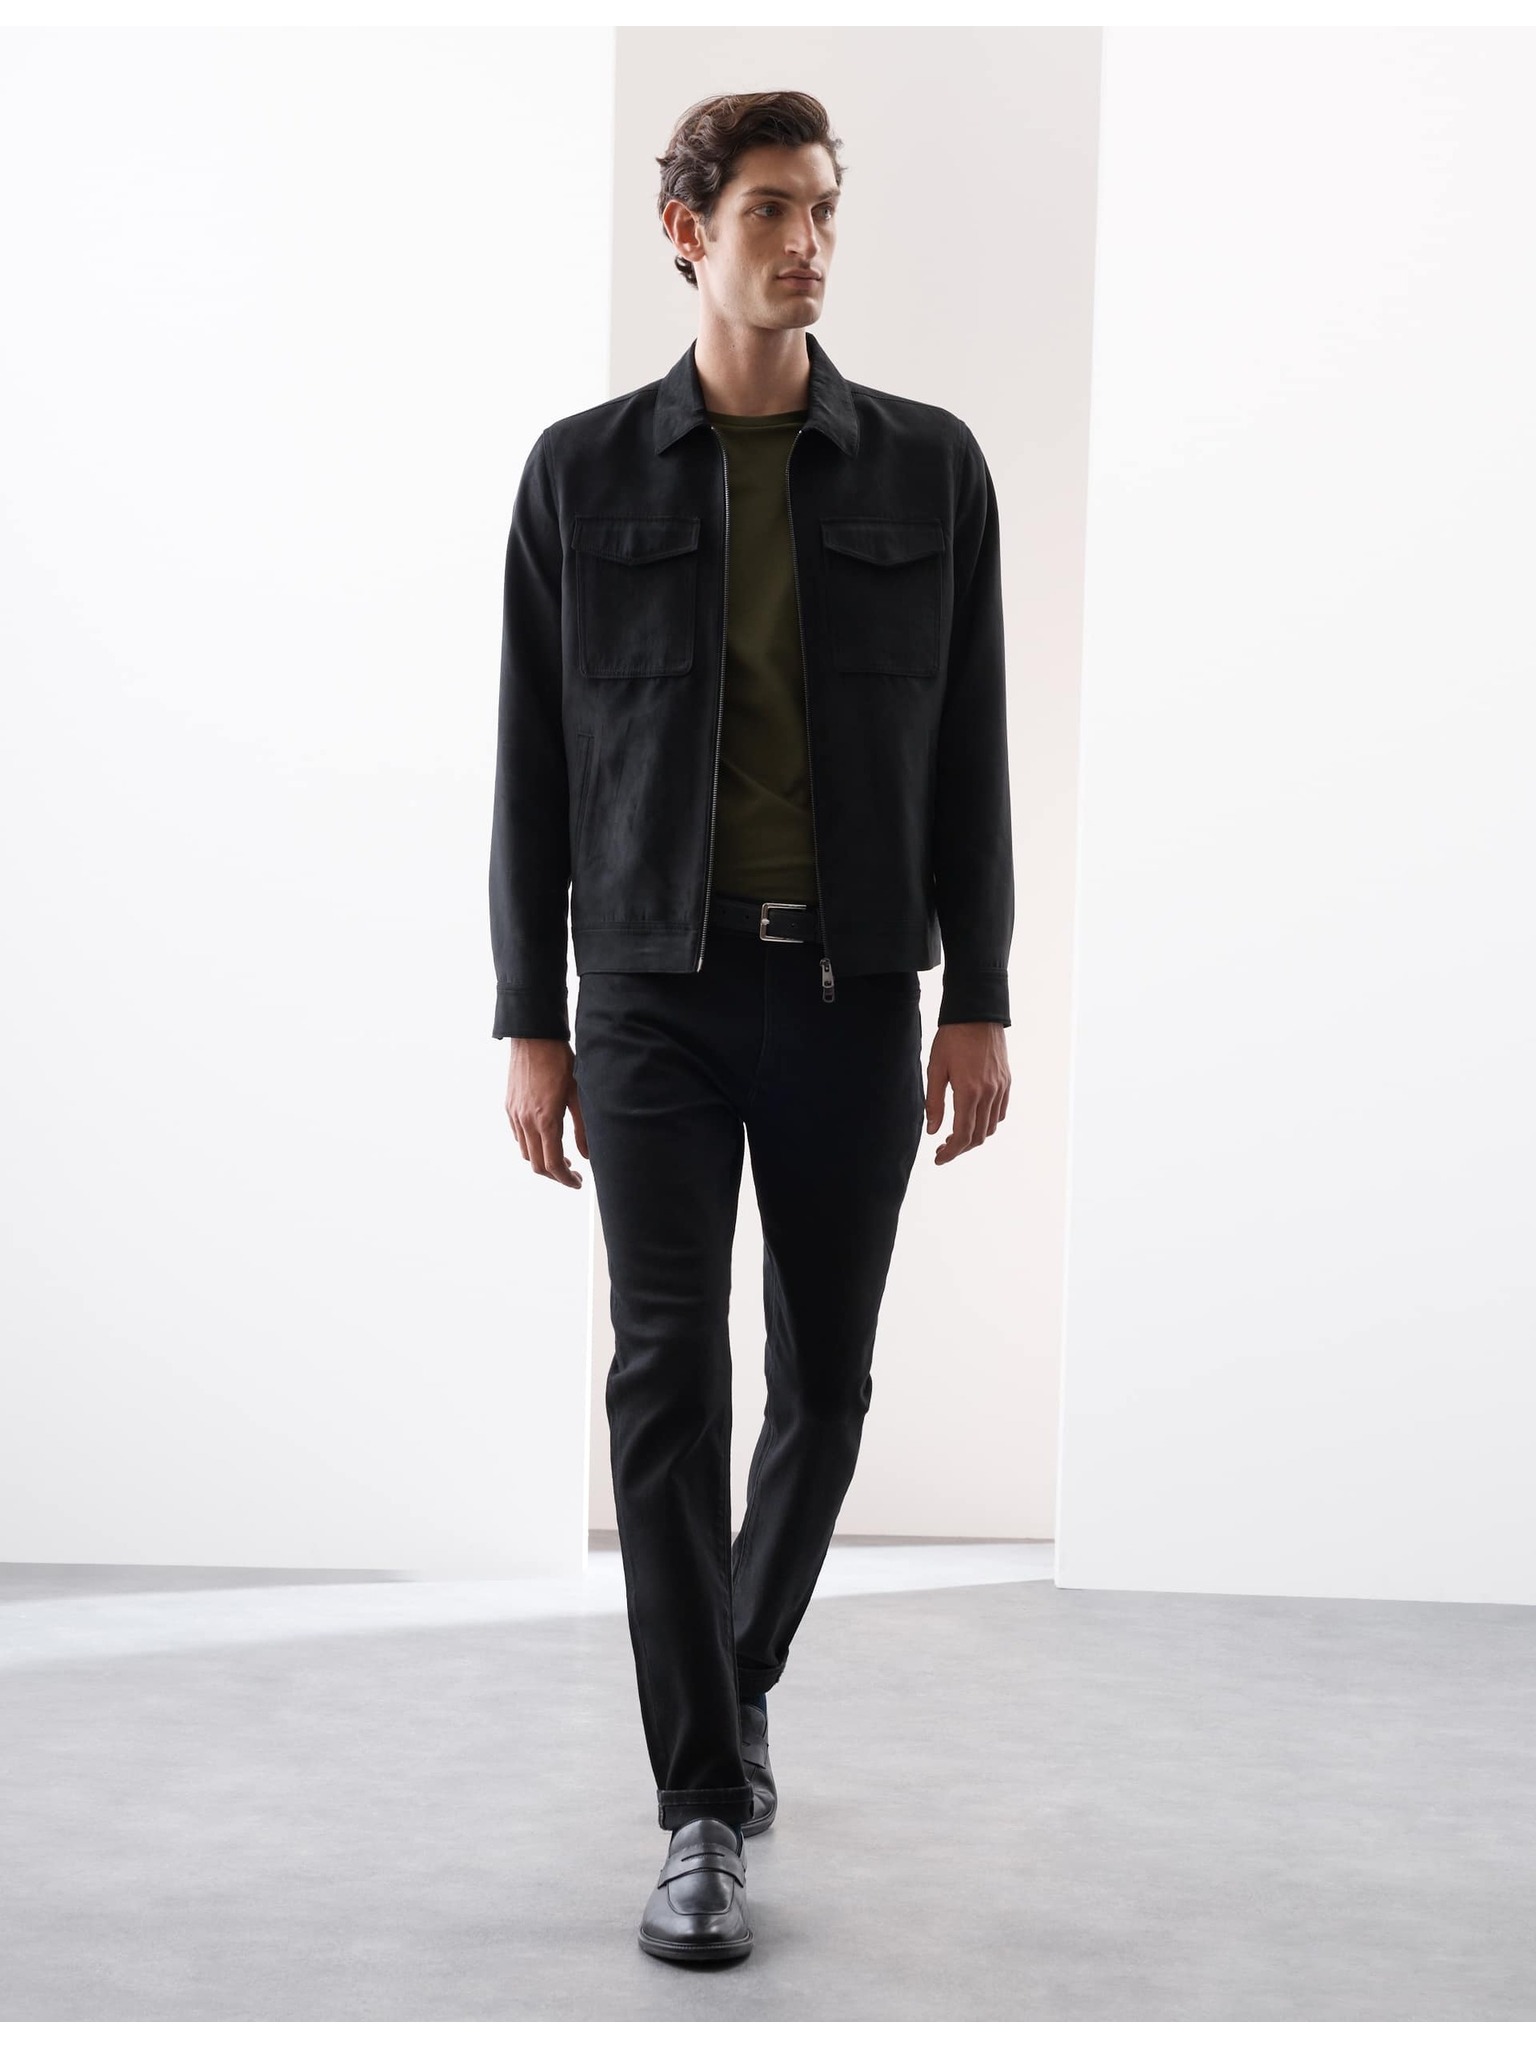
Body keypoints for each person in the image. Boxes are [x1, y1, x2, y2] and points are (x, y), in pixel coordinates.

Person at [488, 89, 1014, 1966]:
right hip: (650, 994)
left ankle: (739, 1666)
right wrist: (529, 1016)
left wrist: (981, 992)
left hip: (857, 991)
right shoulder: (580, 476)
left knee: (829, 1380)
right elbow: (530, 770)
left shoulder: (929, 469)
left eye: (824, 211)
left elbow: (971, 751)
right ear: (687, 231)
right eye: (774, 210)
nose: (808, 244)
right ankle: (699, 1806)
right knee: (665, 1378)